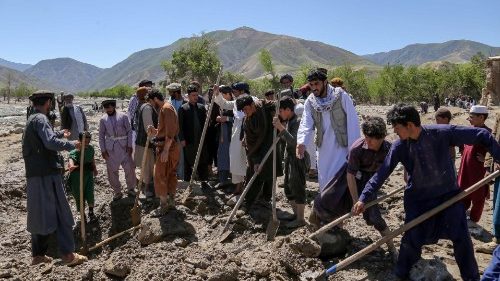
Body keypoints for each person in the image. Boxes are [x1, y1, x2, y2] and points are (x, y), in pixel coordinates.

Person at [352, 103, 500, 281]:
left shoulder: (442, 133)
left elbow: (482, 134)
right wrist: (363, 198)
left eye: (397, 127)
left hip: (448, 198)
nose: (395, 131)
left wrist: (498, 157)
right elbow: (381, 173)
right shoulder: (400, 146)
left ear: (409, 125)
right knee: (411, 240)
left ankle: (471, 278)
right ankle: (401, 274)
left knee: (462, 240)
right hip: (419, 201)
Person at [22, 90, 87, 266]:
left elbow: (45, 138)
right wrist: (72, 144)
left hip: (35, 174)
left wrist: (59, 133)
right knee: (61, 211)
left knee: (39, 213)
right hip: (48, 174)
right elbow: (49, 143)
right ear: (49, 103)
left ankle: (38, 255)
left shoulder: (32, 119)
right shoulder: (41, 119)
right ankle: (68, 255)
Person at [297, 69, 360, 195]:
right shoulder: (311, 101)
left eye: (317, 84)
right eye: (311, 85)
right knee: (324, 177)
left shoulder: (341, 95)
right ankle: (328, 205)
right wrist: (301, 142)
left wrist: (354, 149)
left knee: (342, 176)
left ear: (325, 82)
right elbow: (306, 122)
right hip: (323, 146)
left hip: (342, 146)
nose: (314, 88)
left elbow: (352, 122)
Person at [236, 95, 283, 208]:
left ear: (252, 105)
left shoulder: (265, 108)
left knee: (270, 174)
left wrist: (278, 117)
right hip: (256, 151)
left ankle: (266, 199)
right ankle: (249, 202)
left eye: (246, 109)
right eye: (243, 110)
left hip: (271, 146)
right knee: (254, 174)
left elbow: (279, 106)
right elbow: (250, 142)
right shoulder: (248, 121)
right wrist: (256, 160)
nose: (245, 112)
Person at [272, 96, 309, 228]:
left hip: (298, 158)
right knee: (288, 187)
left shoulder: (298, 121)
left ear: (288, 109)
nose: (280, 114)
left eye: (281, 111)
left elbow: (295, 142)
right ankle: (295, 214)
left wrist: (280, 128)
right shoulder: (289, 120)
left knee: (298, 187)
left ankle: (301, 219)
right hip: (289, 158)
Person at [213, 82, 255, 194]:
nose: (233, 94)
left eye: (235, 91)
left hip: (248, 134)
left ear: (242, 91)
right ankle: (239, 186)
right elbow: (225, 104)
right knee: (236, 160)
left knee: (248, 161)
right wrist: (217, 94)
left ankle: (249, 188)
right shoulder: (237, 101)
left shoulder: (253, 101)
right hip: (237, 135)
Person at [458, 105, 492, 229]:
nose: (469, 119)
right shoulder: (469, 130)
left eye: (472, 117)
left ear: (481, 117)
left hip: (478, 169)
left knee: (478, 194)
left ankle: (473, 219)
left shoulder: (487, 133)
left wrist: (486, 160)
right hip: (465, 167)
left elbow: (494, 150)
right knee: (463, 190)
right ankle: (461, 212)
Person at [147, 90, 180, 215]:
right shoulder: (164, 109)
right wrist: (155, 131)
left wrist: (165, 150)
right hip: (166, 146)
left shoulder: (167, 109)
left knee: (159, 175)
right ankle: (170, 201)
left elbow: (170, 133)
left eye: (151, 102)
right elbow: (164, 131)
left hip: (168, 148)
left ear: (155, 99)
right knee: (169, 173)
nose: (151, 105)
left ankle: (164, 204)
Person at [98, 99, 136, 201]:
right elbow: (101, 136)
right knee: (112, 171)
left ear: (114, 106)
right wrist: (103, 150)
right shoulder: (103, 119)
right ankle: (117, 191)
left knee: (129, 168)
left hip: (124, 147)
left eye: (110, 107)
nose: (108, 110)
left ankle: (131, 188)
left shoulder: (123, 116)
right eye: (106, 108)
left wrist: (129, 145)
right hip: (110, 149)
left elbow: (129, 131)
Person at [178, 84, 209, 183]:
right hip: (189, 140)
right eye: (193, 95)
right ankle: (188, 182)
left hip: (201, 139)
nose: (195, 97)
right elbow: (180, 126)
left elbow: (205, 124)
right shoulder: (183, 109)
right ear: (188, 96)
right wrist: (182, 139)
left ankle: (203, 180)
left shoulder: (201, 108)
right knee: (188, 160)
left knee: (202, 159)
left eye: (196, 95)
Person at [134, 89, 159, 199]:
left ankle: (147, 187)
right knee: (148, 168)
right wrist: (154, 141)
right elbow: (148, 127)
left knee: (147, 167)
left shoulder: (144, 106)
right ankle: (147, 189)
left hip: (144, 142)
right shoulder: (147, 108)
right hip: (146, 143)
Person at [67, 131, 98, 221]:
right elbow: (71, 161)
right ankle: (82, 213)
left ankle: (91, 212)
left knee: (89, 192)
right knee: (79, 195)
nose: (87, 144)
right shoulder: (74, 152)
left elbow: (92, 159)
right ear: (79, 141)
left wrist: (95, 169)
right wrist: (72, 166)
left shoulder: (91, 149)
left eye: (88, 142)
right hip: (77, 177)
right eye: (85, 142)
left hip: (88, 174)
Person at [166, 82, 187, 180]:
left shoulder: (185, 103)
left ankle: (181, 177)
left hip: (181, 134)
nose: (170, 94)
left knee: (181, 157)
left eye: (171, 92)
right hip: (170, 134)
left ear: (176, 93)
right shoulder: (169, 102)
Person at [215, 85, 234, 187]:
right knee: (222, 157)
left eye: (222, 95)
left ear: (228, 94)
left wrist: (227, 119)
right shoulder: (219, 105)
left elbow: (240, 119)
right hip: (222, 135)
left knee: (233, 157)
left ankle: (235, 181)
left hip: (233, 136)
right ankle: (222, 179)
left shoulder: (236, 105)